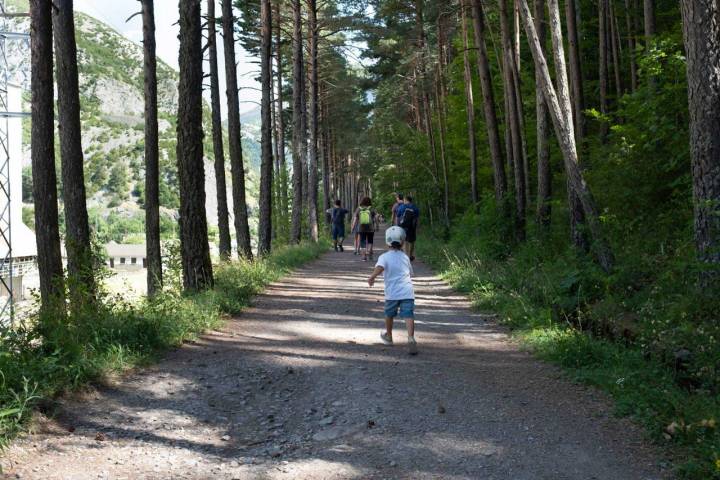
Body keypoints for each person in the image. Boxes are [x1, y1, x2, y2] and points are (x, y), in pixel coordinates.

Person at [368, 226, 418, 355]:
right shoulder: (405, 257)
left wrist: (372, 276)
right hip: (407, 292)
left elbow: (380, 267)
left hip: (392, 293)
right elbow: (411, 273)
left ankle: (389, 336)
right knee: (408, 314)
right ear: (402, 241)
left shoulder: (384, 257)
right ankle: (411, 337)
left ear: (387, 241)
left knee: (389, 314)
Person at [351, 196, 378, 261]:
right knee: (370, 241)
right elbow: (376, 218)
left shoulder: (358, 209)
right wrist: (377, 225)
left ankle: (364, 257)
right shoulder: (372, 209)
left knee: (362, 241)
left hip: (361, 227)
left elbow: (355, 219)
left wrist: (352, 227)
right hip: (370, 228)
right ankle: (370, 254)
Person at [397, 195, 420, 261]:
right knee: (412, 241)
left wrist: (397, 226)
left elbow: (398, 217)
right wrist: (417, 227)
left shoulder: (402, 207)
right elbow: (417, 219)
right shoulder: (415, 208)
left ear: (406, 200)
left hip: (403, 226)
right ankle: (410, 255)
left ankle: (405, 256)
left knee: (404, 240)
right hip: (412, 227)